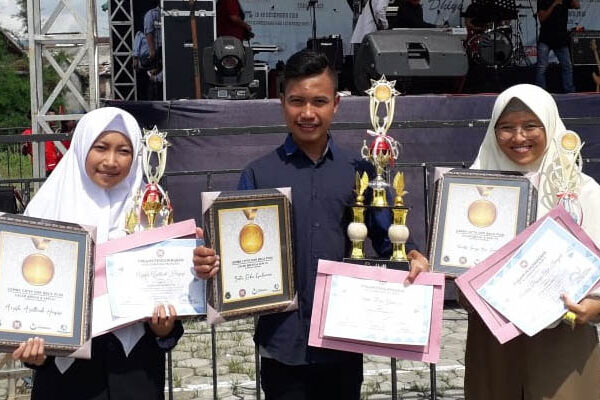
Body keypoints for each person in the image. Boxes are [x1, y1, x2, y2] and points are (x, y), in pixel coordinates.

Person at [193, 50, 430, 399]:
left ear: (336, 104)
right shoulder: (258, 174)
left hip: (342, 338)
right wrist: (211, 261)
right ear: (282, 103)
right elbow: (234, 254)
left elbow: (386, 239)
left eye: (319, 101)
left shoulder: (361, 171)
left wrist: (410, 254)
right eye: (297, 101)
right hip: (281, 342)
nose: (307, 113)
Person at [12, 107, 184, 400]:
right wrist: (33, 354)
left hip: (135, 373)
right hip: (64, 377)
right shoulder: (44, 212)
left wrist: (164, 330)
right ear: (81, 147)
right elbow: (25, 303)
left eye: (124, 151)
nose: (111, 161)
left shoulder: (151, 210)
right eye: (101, 148)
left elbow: (168, 294)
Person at [463, 84, 600, 399]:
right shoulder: (470, 186)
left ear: (549, 125)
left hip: (563, 336)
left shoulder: (583, 190)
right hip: (492, 338)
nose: (519, 137)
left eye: (531, 125)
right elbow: (454, 256)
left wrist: (594, 305)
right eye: (506, 127)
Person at [535, 0, 580, 93]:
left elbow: (577, 5)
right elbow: (542, 18)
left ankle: (569, 91)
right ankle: (541, 92)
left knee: (567, 66)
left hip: (560, 38)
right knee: (542, 67)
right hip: (546, 37)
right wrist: (554, 4)